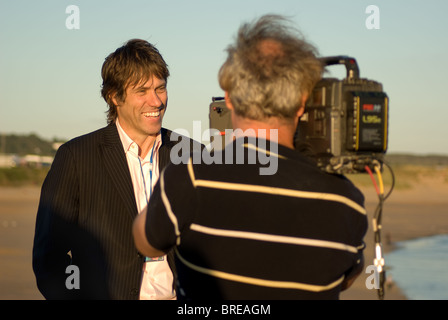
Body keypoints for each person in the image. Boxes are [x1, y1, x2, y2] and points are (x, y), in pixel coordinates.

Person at [133, 15, 368, 299]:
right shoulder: (346, 199)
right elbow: (346, 275)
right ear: (302, 102)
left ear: (229, 99)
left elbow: (146, 243)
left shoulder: (191, 177)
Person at [33, 39, 202, 300]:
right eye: (142, 91)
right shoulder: (76, 157)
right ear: (114, 96)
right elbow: (49, 258)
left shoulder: (194, 155)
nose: (156, 101)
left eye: (160, 88)